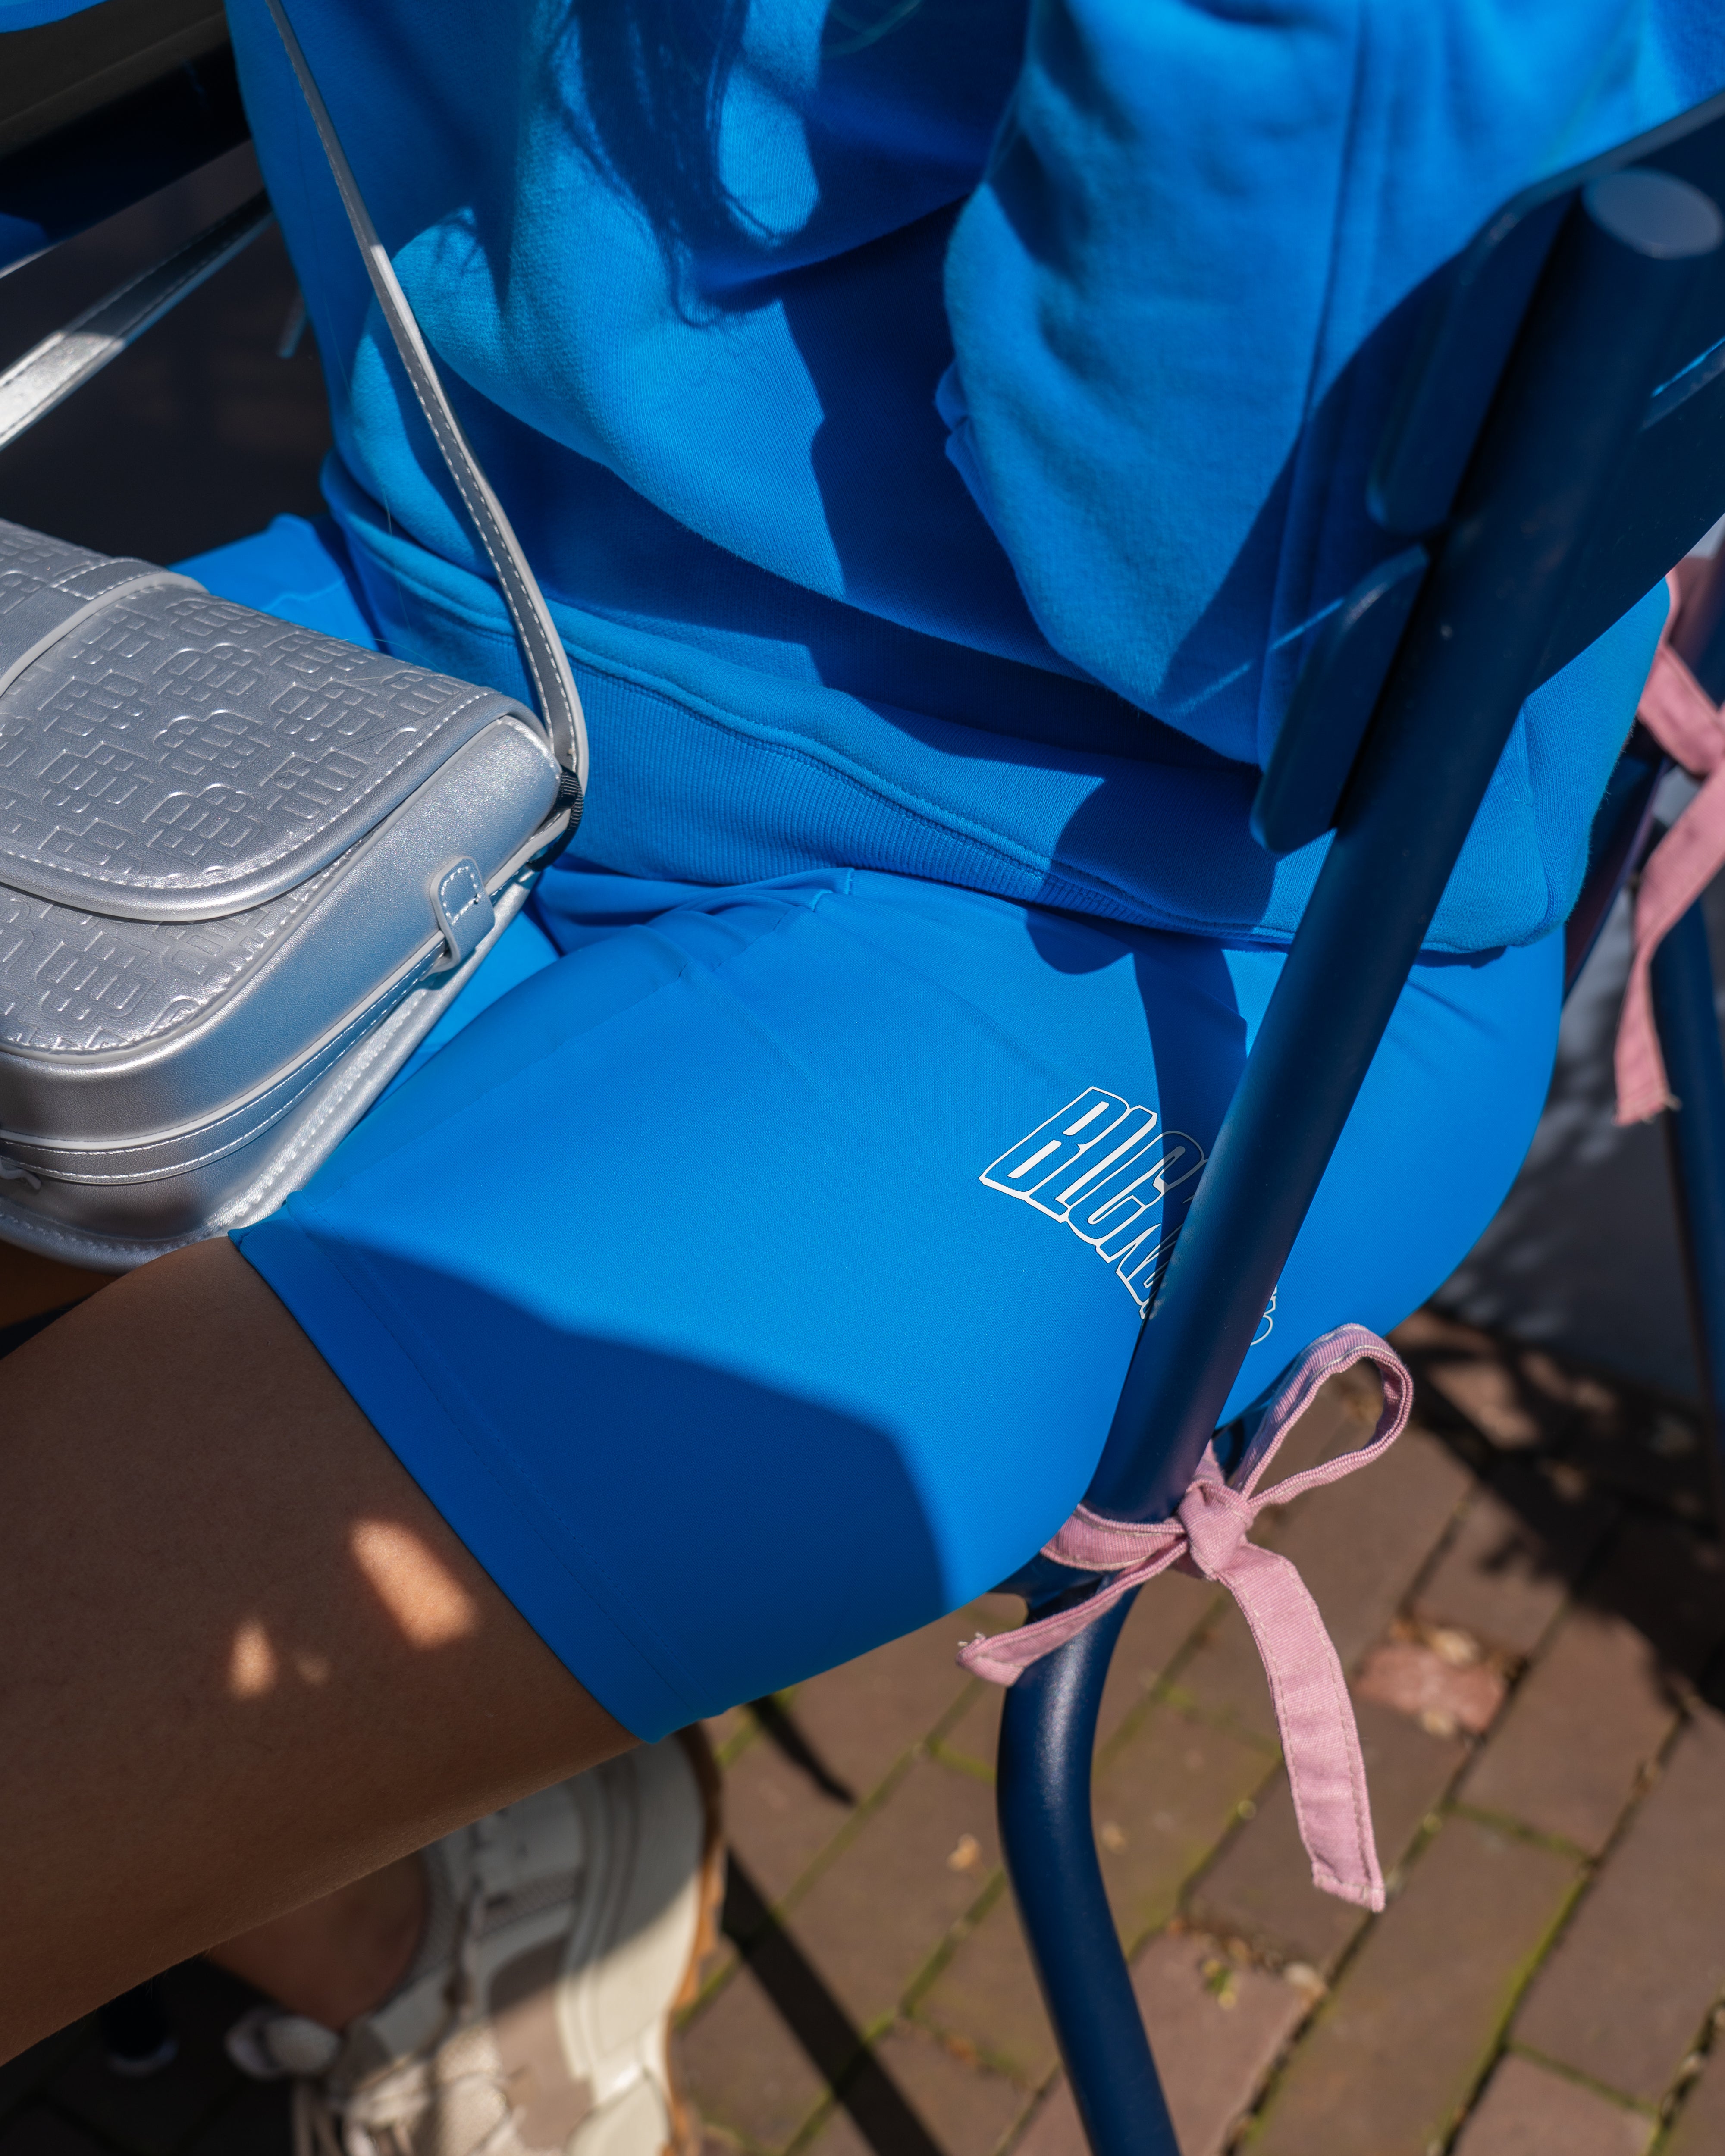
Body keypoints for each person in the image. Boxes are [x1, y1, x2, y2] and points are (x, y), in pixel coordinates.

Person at [2, 0, 1722, 2150]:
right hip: (449, 596)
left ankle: (434, 1908)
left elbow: (1233, 610)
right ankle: (396, 1886)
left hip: (1168, 902)